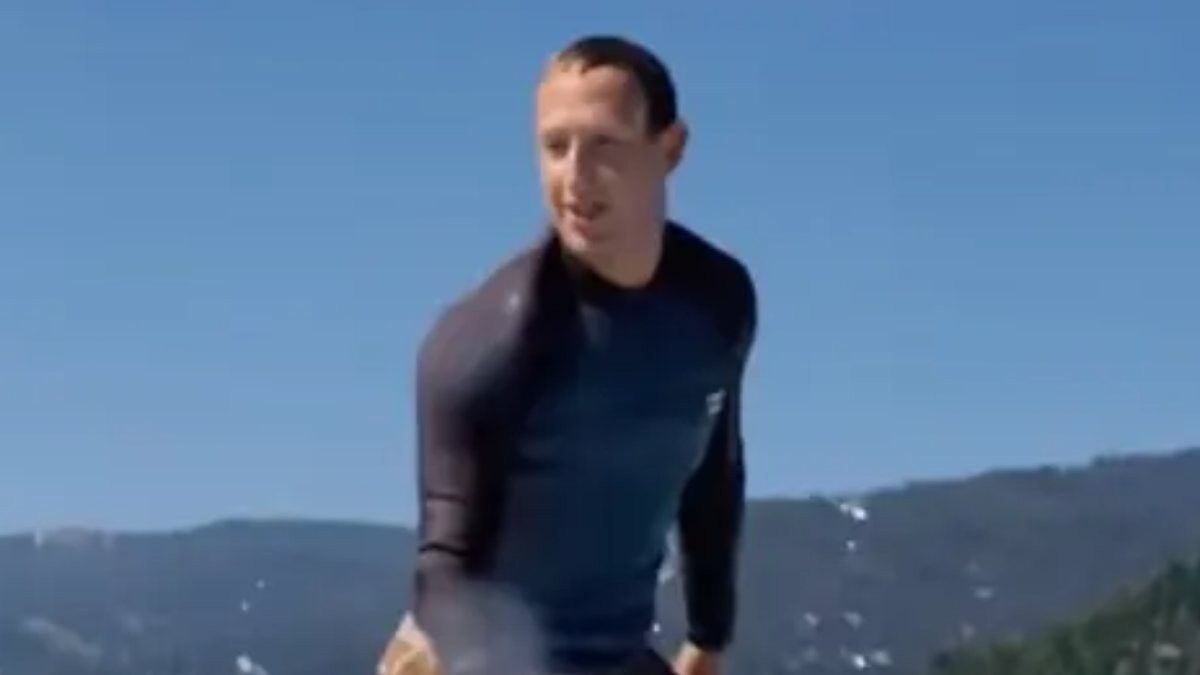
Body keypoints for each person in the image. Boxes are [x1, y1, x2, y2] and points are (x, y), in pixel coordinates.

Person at [378, 34, 757, 675]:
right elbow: (446, 566)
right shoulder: (493, 341)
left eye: (604, 144)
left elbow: (713, 474)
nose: (575, 178)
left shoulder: (716, 300)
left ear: (670, 148)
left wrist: (708, 637)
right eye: (555, 147)